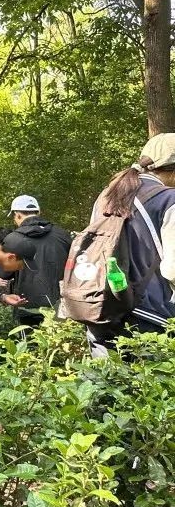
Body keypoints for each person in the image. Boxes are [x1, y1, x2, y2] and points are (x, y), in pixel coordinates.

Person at [81, 134, 175, 357]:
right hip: (152, 318)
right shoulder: (169, 199)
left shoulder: (106, 195)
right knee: (151, 390)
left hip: (101, 310)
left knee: (107, 386)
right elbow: (172, 269)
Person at [5, 195, 72, 327]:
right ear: (39, 212)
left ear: (17, 215)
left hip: (26, 305)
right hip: (60, 305)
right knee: (58, 344)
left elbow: (3, 275)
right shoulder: (62, 235)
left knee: (28, 344)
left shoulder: (12, 239)